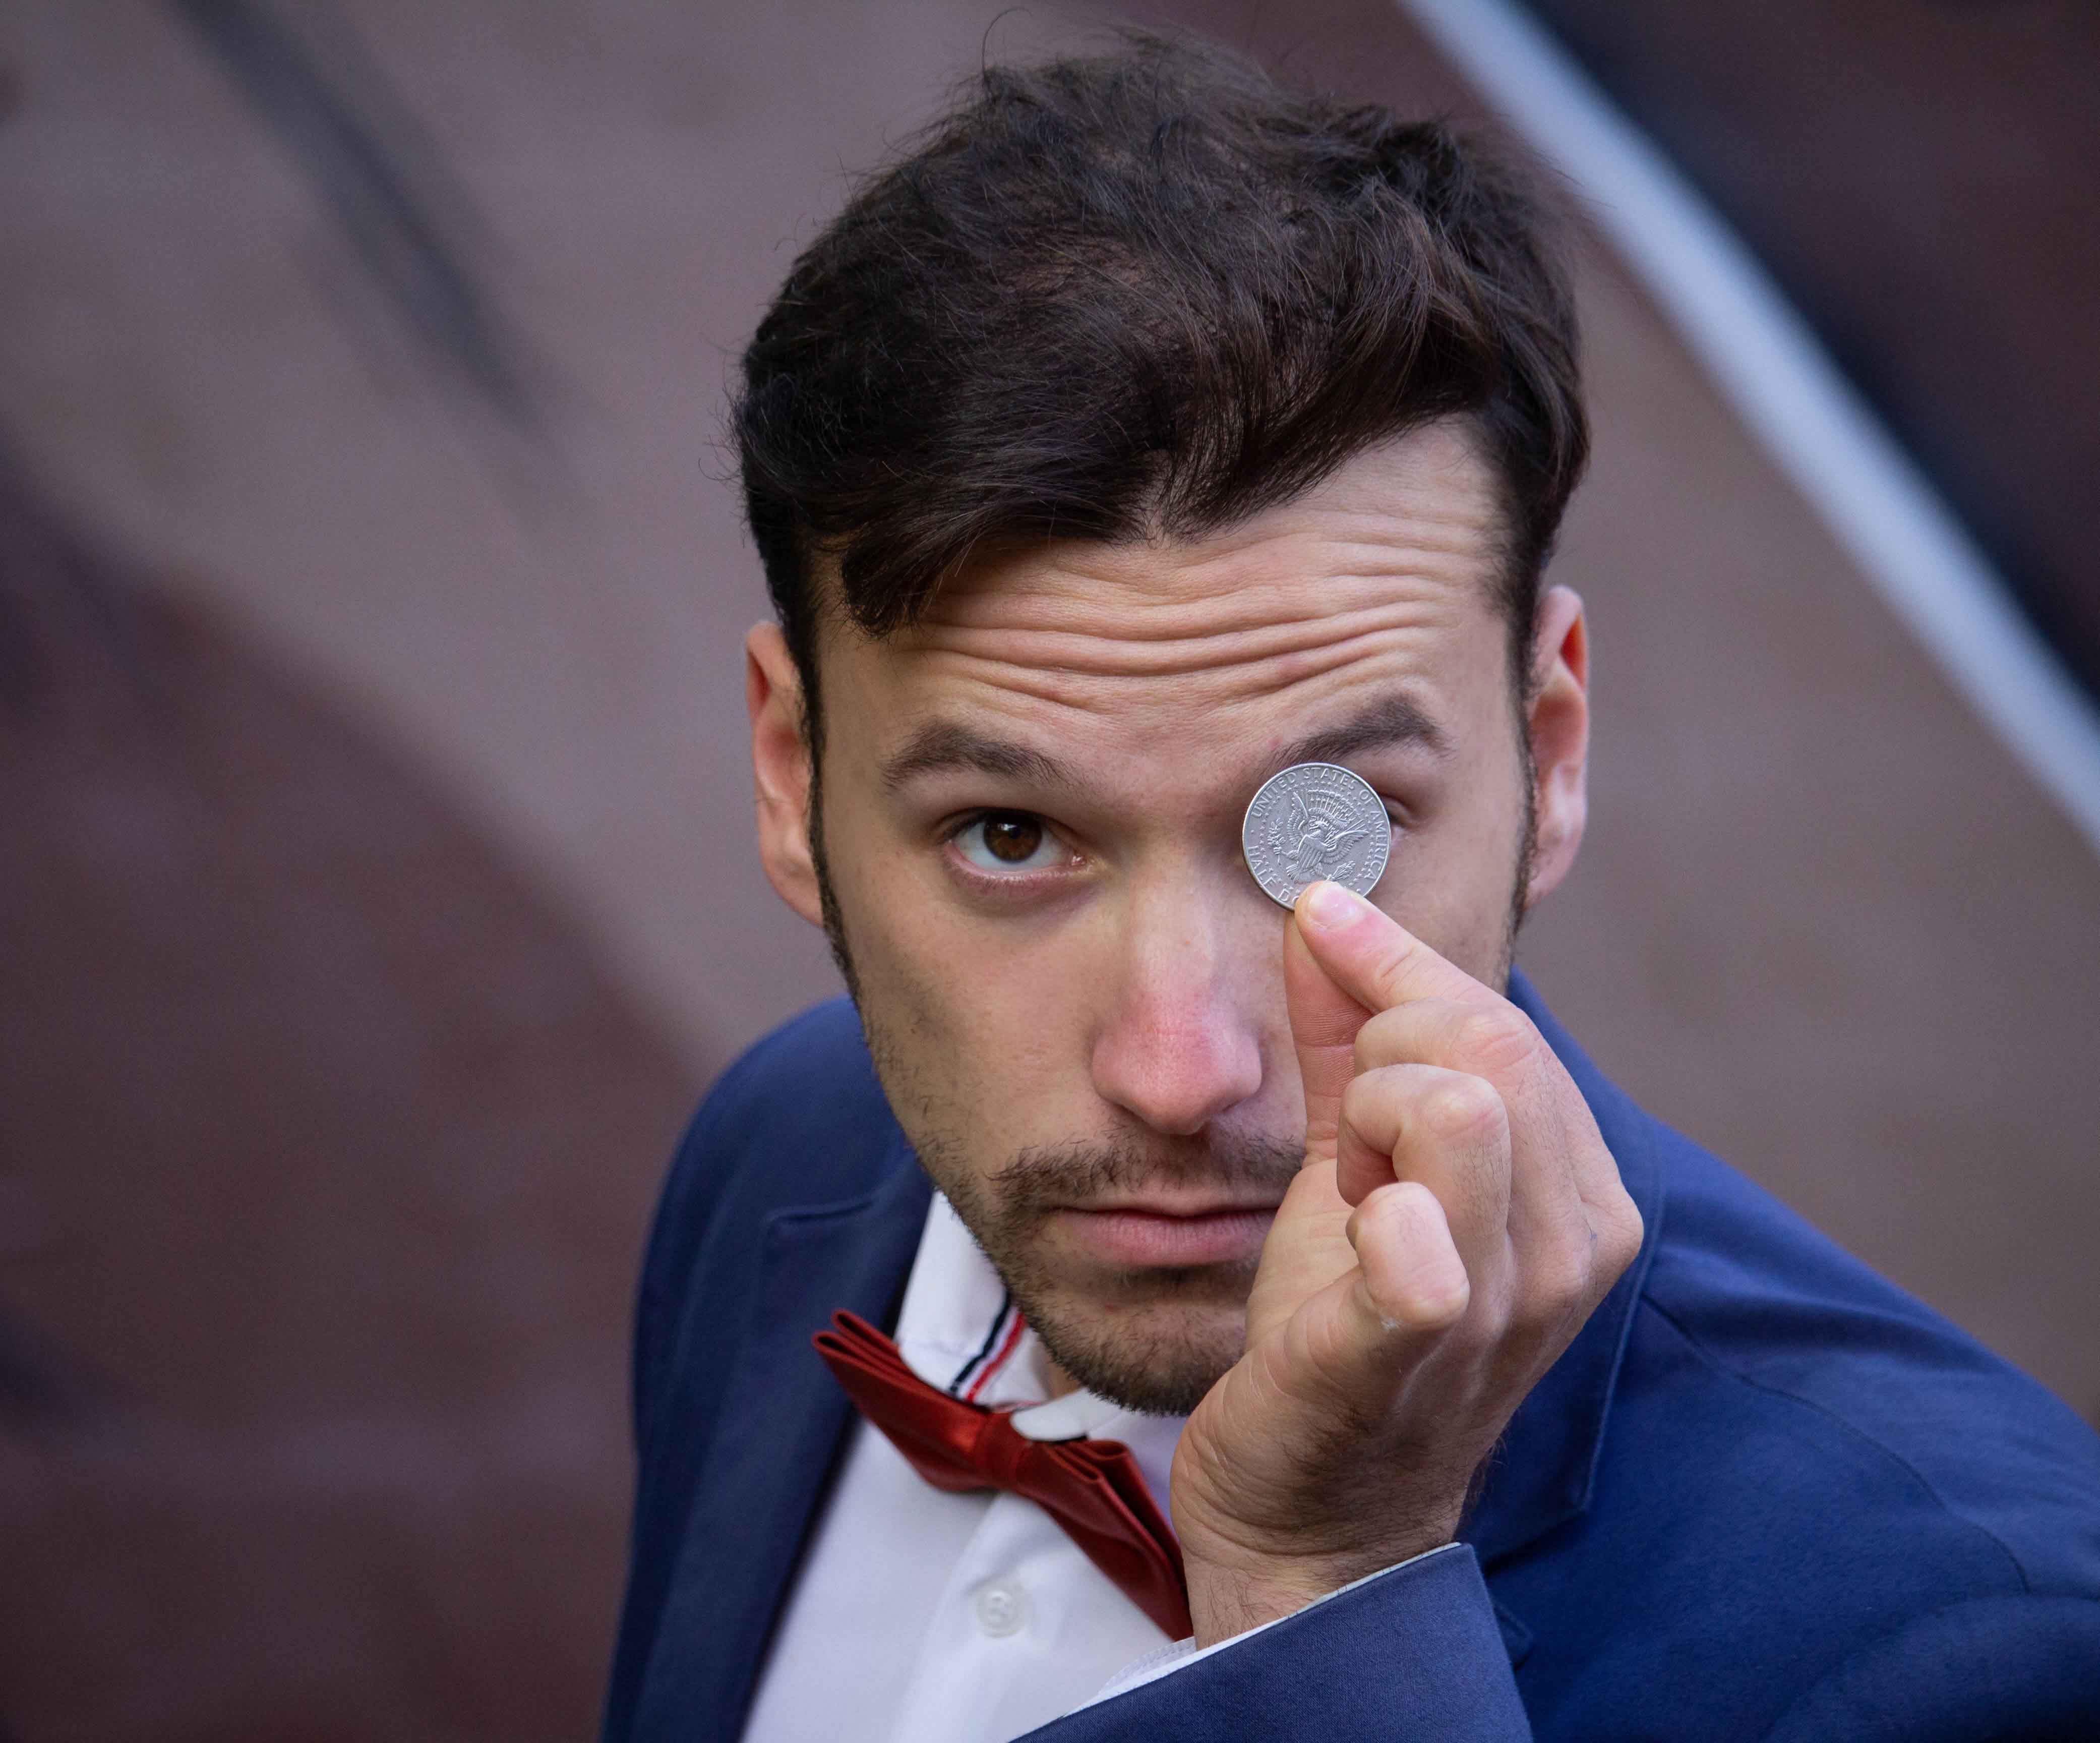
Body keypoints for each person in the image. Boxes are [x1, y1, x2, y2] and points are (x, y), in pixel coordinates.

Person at [602, 36, 2100, 1743]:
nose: (1182, 1068)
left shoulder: (1981, 1650)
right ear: (794, 781)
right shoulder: (783, 1165)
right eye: (1009, 834)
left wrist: (1331, 1607)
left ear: (1550, 752)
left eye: (1328, 831)